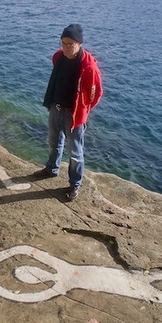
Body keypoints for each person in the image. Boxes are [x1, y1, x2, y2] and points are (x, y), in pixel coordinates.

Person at [34, 23, 103, 201]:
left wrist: (83, 111)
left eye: (70, 44)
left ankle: (75, 184)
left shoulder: (89, 68)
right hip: (55, 107)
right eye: (63, 43)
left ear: (79, 44)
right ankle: (51, 168)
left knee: (75, 152)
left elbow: (95, 95)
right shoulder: (58, 57)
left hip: (74, 114)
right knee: (53, 141)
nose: (65, 47)